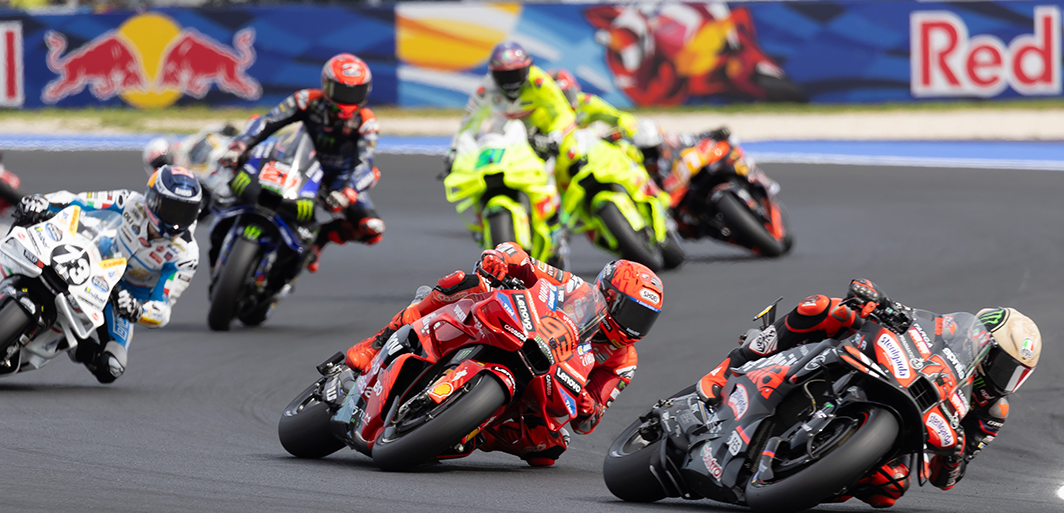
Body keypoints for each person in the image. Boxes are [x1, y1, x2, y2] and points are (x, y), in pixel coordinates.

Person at [696, 278, 1042, 508]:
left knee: (889, 488)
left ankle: (804, 476)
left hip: (905, 430)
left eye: (1016, 375)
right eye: (1002, 366)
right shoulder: (950, 330)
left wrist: (954, 457)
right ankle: (729, 366)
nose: (1004, 380)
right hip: (889, 369)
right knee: (823, 306)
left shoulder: (992, 411)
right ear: (983, 344)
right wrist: (878, 301)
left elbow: (946, 480)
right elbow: (912, 319)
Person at [346, 242, 663, 467]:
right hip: (517, 331)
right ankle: (378, 341)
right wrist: (500, 259)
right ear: (605, 292)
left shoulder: (625, 361)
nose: (632, 325)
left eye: (643, 319)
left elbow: (589, 420)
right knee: (463, 283)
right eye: (629, 311)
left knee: (548, 449)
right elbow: (524, 261)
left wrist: (587, 405)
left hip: (547, 383)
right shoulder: (574, 288)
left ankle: (464, 429)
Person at [10, 166, 203, 383]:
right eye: (170, 208)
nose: (176, 219)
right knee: (31, 222)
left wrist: (138, 310)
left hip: (122, 297)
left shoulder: (186, 254)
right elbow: (79, 200)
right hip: (94, 258)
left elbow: (163, 309)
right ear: (152, 198)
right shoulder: (129, 201)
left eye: (185, 212)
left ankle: (72, 342)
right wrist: (44, 201)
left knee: (112, 366)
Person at [219, 53, 383, 272]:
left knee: (372, 229)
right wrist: (239, 146)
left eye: (355, 92)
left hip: (337, 180)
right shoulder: (306, 100)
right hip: (298, 162)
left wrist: (348, 192)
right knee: (240, 175)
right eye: (342, 91)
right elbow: (268, 121)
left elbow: (365, 164)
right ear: (327, 86)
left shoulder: (366, 122)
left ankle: (320, 239)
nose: (348, 99)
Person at [445, 43, 577, 258]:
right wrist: (454, 150)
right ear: (493, 73)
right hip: (507, 136)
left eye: (516, 73)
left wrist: (556, 135)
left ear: (528, 68)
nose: (511, 80)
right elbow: (469, 122)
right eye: (504, 75)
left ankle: (556, 222)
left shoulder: (540, 81)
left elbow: (562, 113)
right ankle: (482, 226)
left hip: (539, 135)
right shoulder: (486, 88)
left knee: (567, 160)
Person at [548, 68, 639, 141]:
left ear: (575, 88)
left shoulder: (587, 103)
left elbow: (623, 119)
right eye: (560, 96)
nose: (566, 99)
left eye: (568, 93)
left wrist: (619, 131)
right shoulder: (544, 110)